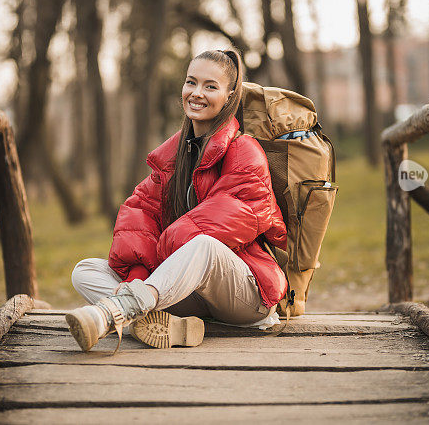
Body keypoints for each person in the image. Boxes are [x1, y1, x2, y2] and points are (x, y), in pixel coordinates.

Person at [66, 49, 287, 352]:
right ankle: (170, 324)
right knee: (86, 270)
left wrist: (153, 269)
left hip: (246, 295)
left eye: (211, 86)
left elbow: (216, 227)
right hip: (190, 292)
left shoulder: (245, 152)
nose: (197, 93)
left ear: (229, 95)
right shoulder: (173, 158)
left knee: (205, 245)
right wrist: (139, 275)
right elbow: (140, 221)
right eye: (191, 82)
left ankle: (114, 313)